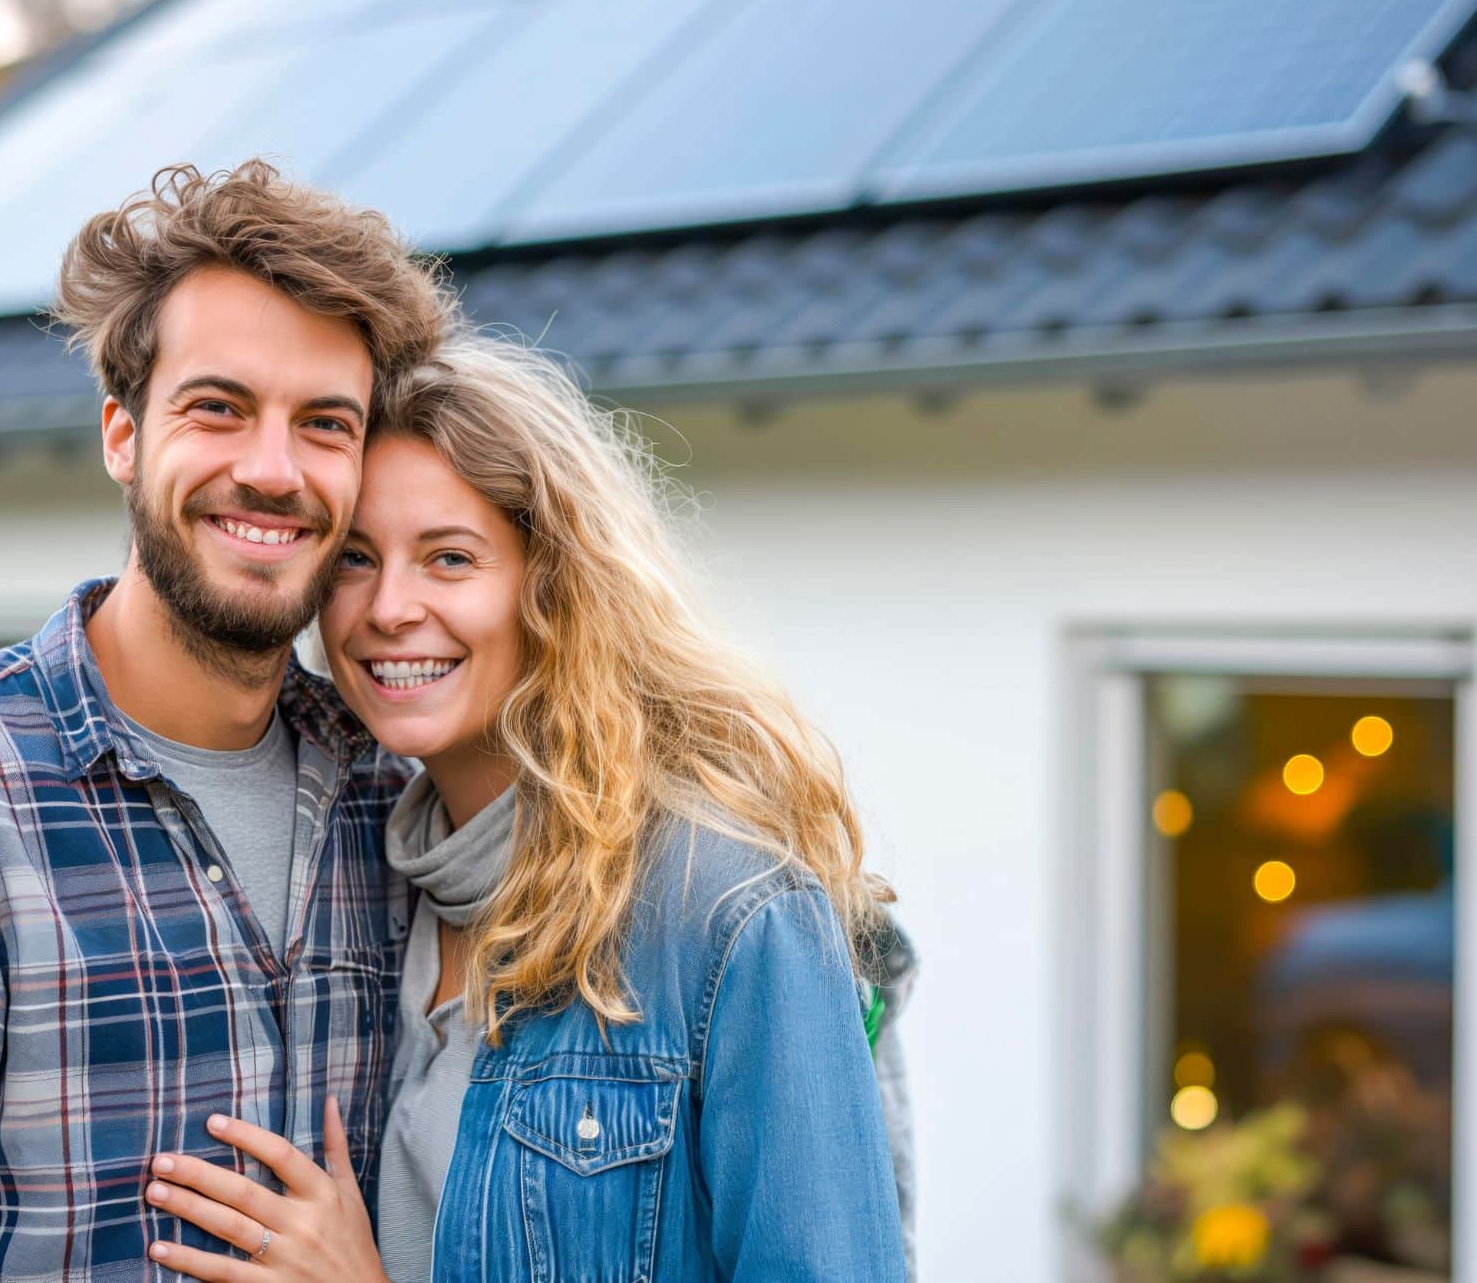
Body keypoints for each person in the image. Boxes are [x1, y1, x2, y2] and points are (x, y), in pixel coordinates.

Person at [0, 160, 454, 1279]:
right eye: (217, 407)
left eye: (324, 423)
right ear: (122, 435)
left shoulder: (391, 794)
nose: (272, 470)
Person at [141, 332, 911, 1281]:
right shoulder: (371, 882)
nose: (388, 608)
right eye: (353, 560)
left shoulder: (728, 912)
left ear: (556, 589)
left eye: (450, 558)